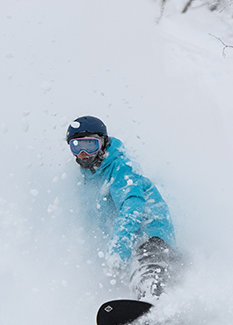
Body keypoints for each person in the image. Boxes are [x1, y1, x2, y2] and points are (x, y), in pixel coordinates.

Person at [66, 116, 180, 300]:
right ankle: (144, 307)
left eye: (90, 145)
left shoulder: (121, 168)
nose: (84, 153)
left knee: (146, 273)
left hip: (151, 235)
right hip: (131, 245)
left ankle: (155, 302)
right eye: (77, 147)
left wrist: (118, 251)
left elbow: (131, 206)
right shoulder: (87, 179)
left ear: (103, 144)